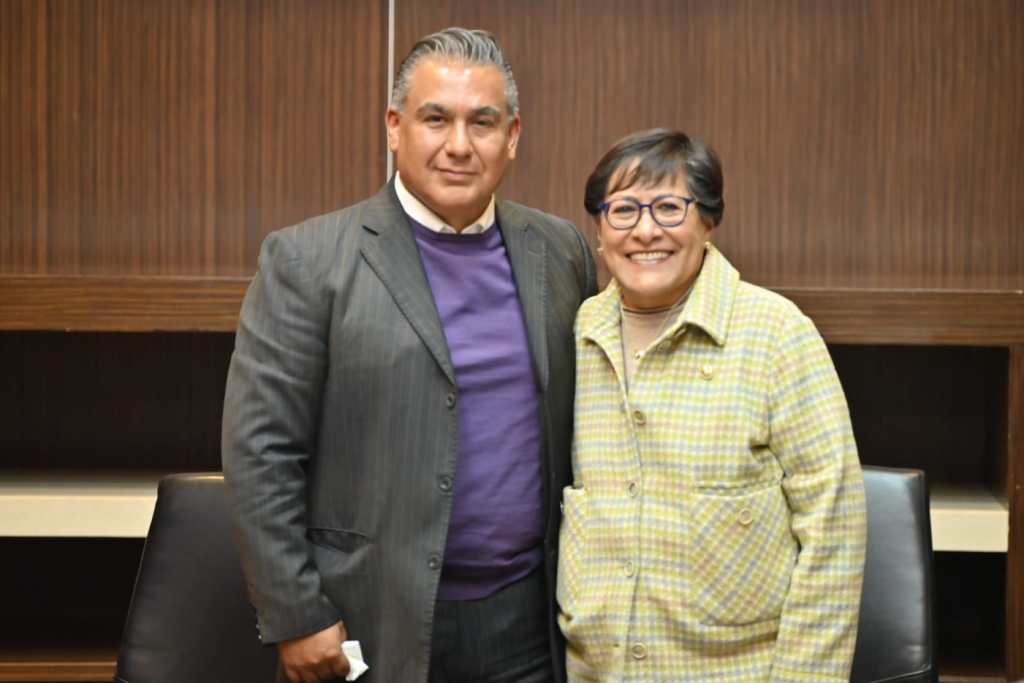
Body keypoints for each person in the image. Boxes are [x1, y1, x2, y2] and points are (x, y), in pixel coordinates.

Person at [222, 27, 596, 683]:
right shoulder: (308, 260)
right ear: (395, 128)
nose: (459, 145)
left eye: (483, 122)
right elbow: (261, 450)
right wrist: (296, 612)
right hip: (370, 619)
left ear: (512, 136)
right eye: (435, 119)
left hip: (529, 624)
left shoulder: (560, 250)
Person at [557, 128, 866, 682]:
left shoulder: (776, 335)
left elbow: (835, 532)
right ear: (599, 231)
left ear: (708, 220)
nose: (645, 230)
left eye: (668, 207)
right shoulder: (575, 336)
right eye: (623, 210)